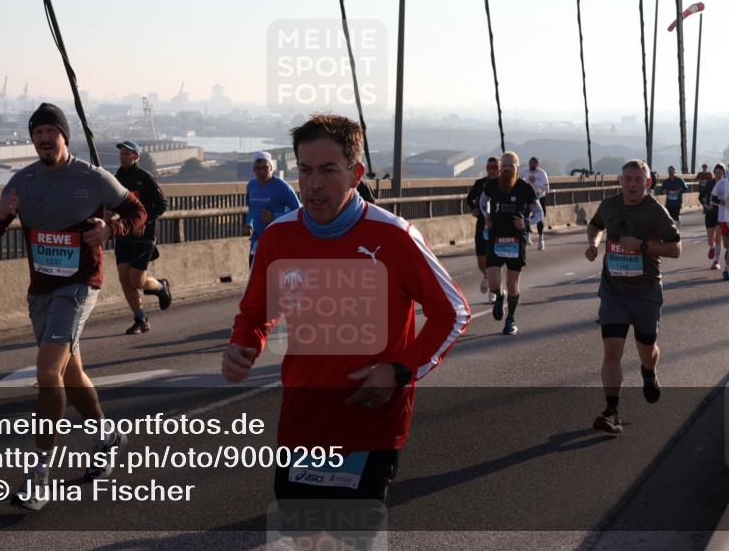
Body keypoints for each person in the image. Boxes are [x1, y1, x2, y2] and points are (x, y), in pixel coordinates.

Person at [223, 115, 470, 547]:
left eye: (328, 171)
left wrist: (398, 371)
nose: (313, 184)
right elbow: (255, 313)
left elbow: (454, 312)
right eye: (304, 170)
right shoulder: (280, 237)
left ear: (355, 173)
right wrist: (243, 345)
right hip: (301, 421)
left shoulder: (394, 236)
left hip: (368, 424)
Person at [0, 103, 148, 510]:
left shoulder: (91, 178)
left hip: (78, 287)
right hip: (41, 291)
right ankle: (108, 436)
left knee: (47, 369)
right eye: (37, 133)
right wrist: (0, 216)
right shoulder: (23, 181)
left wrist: (112, 228)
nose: (43, 139)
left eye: (51, 132)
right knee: (72, 376)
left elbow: (138, 210)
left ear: (64, 136)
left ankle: (38, 474)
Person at [584, 159, 681, 435]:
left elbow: (676, 249)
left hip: (645, 292)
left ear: (648, 183)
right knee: (612, 350)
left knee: (646, 351)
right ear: (620, 181)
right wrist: (592, 243)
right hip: (613, 292)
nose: (633, 184)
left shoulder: (655, 211)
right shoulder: (609, 205)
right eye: (628, 179)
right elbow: (595, 225)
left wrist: (643, 246)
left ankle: (649, 373)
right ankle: (612, 411)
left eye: (639, 180)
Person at [479, 151, 543, 335]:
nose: (506, 169)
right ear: (500, 167)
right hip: (496, 237)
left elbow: (539, 213)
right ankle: (499, 297)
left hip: (516, 240)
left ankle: (510, 320)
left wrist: (526, 223)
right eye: (504, 165)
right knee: (493, 282)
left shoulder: (525, 188)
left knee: (513, 284)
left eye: (510, 165)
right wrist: (486, 216)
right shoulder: (492, 185)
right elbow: (482, 203)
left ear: (517, 167)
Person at [113, 140, 172, 335]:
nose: (123, 156)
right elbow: (113, 202)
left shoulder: (145, 178)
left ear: (136, 156)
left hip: (144, 236)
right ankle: (140, 319)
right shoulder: (117, 178)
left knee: (136, 281)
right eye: (121, 153)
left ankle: (160, 287)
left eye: (127, 153)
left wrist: (143, 222)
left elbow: (162, 205)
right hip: (124, 234)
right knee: (124, 278)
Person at [244, 151, 301, 267]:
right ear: (253, 169)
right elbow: (252, 208)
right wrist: (249, 223)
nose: (261, 171)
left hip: (278, 239)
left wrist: (274, 216)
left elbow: (299, 211)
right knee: (255, 277)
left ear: (271, 168)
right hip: (257, 240)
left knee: (275, 278)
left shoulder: (283, 187)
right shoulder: (251, 186)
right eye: (258, 168)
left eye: (265, 167)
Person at [466, 157, 501, 303]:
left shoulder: (505, 184)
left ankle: (494, 289)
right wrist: (474, 208)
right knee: (481, 259)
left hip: (499, 225)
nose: (492, 170)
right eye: (489, 167)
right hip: (482, 224)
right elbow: (469, 198)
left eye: (495, 167)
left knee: (494, 257)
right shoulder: (480, 183)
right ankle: (487, 276)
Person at [520, 157, 550, 250]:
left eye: (534, 163)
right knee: (526, 216)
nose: (532, 165)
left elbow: (547, 188)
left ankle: (541, 239)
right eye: (530, 163)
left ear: (537, 164)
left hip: (539, 197)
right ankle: (528, 237)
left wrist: (535, 182)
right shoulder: (524, 171)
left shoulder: (542, 173)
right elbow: (518, 182)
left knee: (539, 218)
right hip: (528, 198)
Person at [699, 164, 725, 270]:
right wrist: (706, 206)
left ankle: (716, 261)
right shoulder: (710, 184)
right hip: (710, 214)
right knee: (710, 239)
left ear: (723, 173)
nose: (718, 174)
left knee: (718, 237)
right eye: (716, 172)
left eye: (720, 172)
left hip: (721, 214)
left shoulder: (726, 184)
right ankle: (712, 247)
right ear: (714, 173)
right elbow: (701, 197)